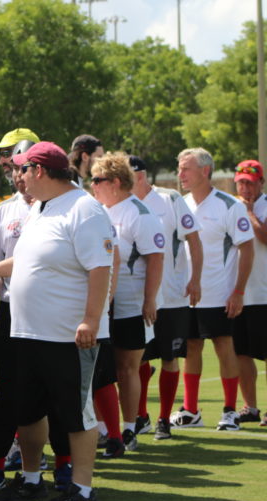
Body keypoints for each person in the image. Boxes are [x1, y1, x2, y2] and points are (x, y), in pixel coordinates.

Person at [9, 141, 112, 501]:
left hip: (68, 335)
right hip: (29, 332)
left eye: (22, 169)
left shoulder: (84, 208)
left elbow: (100, 268)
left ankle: (83, 493)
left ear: (39, 171)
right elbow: (28, 262)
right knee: (29, 410)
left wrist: (91, 319)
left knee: (75, 414)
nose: (17, 175)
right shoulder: (40, 208)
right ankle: (33, 479)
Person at [0, 129, 43, 495]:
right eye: (10, 162)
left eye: (19, 162)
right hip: (11, 314)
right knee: (7, 392)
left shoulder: (63, 204)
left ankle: (63, 471)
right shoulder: (4, 210)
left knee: (54, 395)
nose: (11, 168)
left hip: (51, 316)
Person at [172, 147, 254, 431]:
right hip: (188, 295)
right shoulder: (181, 204)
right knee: (191, 348)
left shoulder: (229, 205)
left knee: (223, 346)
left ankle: (230, 411)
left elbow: (247, 248)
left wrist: (238, 291)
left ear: (205, 171)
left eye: (186, 168)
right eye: (179, 168)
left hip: (220, 293)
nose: (180, 174)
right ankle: (191, 410)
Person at [90, 153, 164, 453]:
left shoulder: (139, 213)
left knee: (127, 367)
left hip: (132, 303)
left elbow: (156, 259)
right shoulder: (97, 212)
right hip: (103, 304)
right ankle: (105, 428)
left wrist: (149, 300)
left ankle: (131, 426)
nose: (92, 185)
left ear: (115, 182)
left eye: (97, 180)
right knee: (103, 370)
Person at [129, 155, 203, 440]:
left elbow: (193, 239)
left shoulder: (170, 199)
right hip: (137, 297)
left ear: (141, 174)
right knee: (138, 359)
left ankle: (163, 420)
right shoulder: (123, 204)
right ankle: (141, 416)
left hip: (171, 297)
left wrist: (195, 279)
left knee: (171, 357)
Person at [231, 160, 267, 426]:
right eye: (241, 182)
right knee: (241, 353)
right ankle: (250, 407)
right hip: (238, 293)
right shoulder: (230, 206)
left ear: (261, 184)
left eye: (250, 183)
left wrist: (251, 213)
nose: (245, 188)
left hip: (264, 293)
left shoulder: (262, 206)